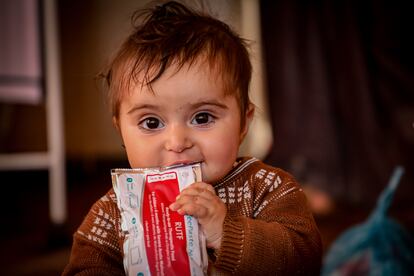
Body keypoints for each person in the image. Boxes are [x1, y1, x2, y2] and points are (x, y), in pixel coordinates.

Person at [63, 1, 322, 275]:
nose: (177, 142)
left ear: (244, 122)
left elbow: (305, 259)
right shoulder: (115, 210)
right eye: (151, 122)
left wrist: (225, 231)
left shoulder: (267, 188)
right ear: (121, 131)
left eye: (202, 118)